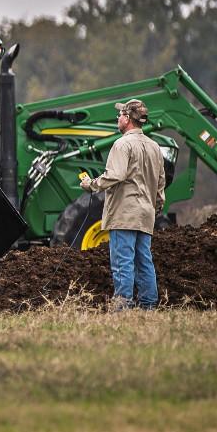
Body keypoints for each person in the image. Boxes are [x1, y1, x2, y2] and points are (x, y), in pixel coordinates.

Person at [78, 99, 165, 310]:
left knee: (122, 262)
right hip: (146, 214)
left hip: (124, 214)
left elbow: (115, 175)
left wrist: (91, 185)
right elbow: (160, 183)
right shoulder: (154, 147)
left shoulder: (122, 144)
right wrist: (157, 206)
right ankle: (148, 307)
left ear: (127, 118)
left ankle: (123, 308)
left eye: (120, 115)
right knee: (144, 262)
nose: (118, 118)